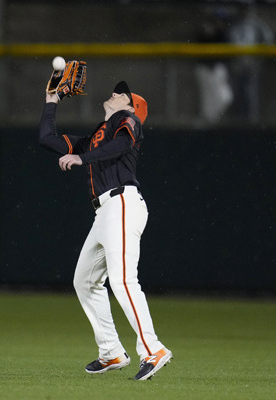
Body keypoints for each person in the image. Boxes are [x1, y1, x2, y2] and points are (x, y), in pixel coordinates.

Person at [39, 80, 172, 380]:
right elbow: (47, 138)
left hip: (122, 203)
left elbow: (123, 144)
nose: (114, 93)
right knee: (84, 281)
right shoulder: (95, 138)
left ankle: (153, 349)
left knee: (123, 280)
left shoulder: (128, 121)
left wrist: (81, 158)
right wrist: (51, 102)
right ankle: (111, 350)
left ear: (132, 107)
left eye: (122, 94)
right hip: (104, 213)